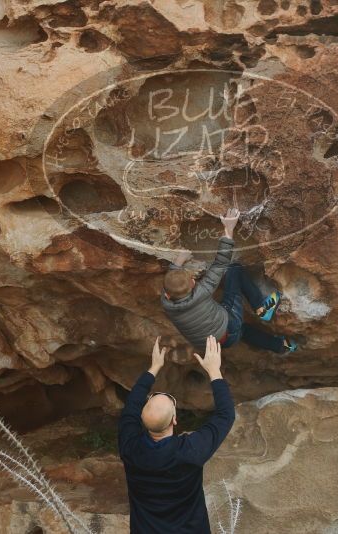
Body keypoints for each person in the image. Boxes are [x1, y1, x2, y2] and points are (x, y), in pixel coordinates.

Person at [118, 335, 235, 534]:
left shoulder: (130, 447)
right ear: (174, 420)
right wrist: (214, 370)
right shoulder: (190, 452)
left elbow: (130, 407)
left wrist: (154, 368)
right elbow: (225, 415)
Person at [161, 208, 297, 353]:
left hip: (216, 345)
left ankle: (280, 346)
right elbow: (221, 263)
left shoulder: (167, 304)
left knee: (242, 331)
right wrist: (228, 227)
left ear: (167, 295)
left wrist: (177, 264)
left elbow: (172, 285)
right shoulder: (202, 291)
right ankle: (262, 308)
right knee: (234, 268)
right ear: (194, 283)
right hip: (227, 327)